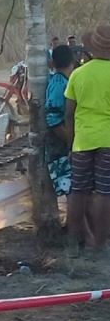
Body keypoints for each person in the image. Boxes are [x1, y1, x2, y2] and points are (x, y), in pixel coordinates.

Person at [65, 24, 110, 255]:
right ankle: (100, 243)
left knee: (78, 190)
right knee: (104, 191)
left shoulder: (78, 73)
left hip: (82, 140)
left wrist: (71, 142)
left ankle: (73, 241)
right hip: (108, 140)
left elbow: (69, 113)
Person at [44, 44, 74, 197]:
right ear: (72, 62)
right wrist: (71, 143)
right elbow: (53, 119)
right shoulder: (59, 83)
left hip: (62, 140)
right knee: (70, 188)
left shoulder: (61, 81)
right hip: (59, 143)